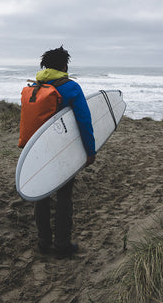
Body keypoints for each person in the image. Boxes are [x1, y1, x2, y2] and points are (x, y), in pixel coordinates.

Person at [33, 46, 96, 257]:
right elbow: (84, 121)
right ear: (64, 65)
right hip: (62, 151)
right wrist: (90, 150)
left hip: (38, 151)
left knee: (41, 195)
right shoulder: (71, 88)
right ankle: (62, 245)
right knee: (64, 196)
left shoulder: (35, 86)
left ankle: (43, 241)